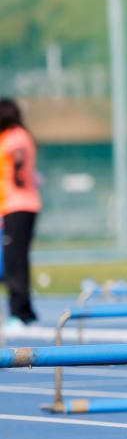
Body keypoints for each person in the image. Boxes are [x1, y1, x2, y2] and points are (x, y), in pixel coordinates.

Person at [0, 99, 40, 331]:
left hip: (19, 205)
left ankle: (20, 313)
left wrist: (17, 170)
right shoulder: (12, 134)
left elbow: (18, 154)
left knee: (14, 262)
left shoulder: (15, 135)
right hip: (14, 206)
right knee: (16, 261)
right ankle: (25, 312)